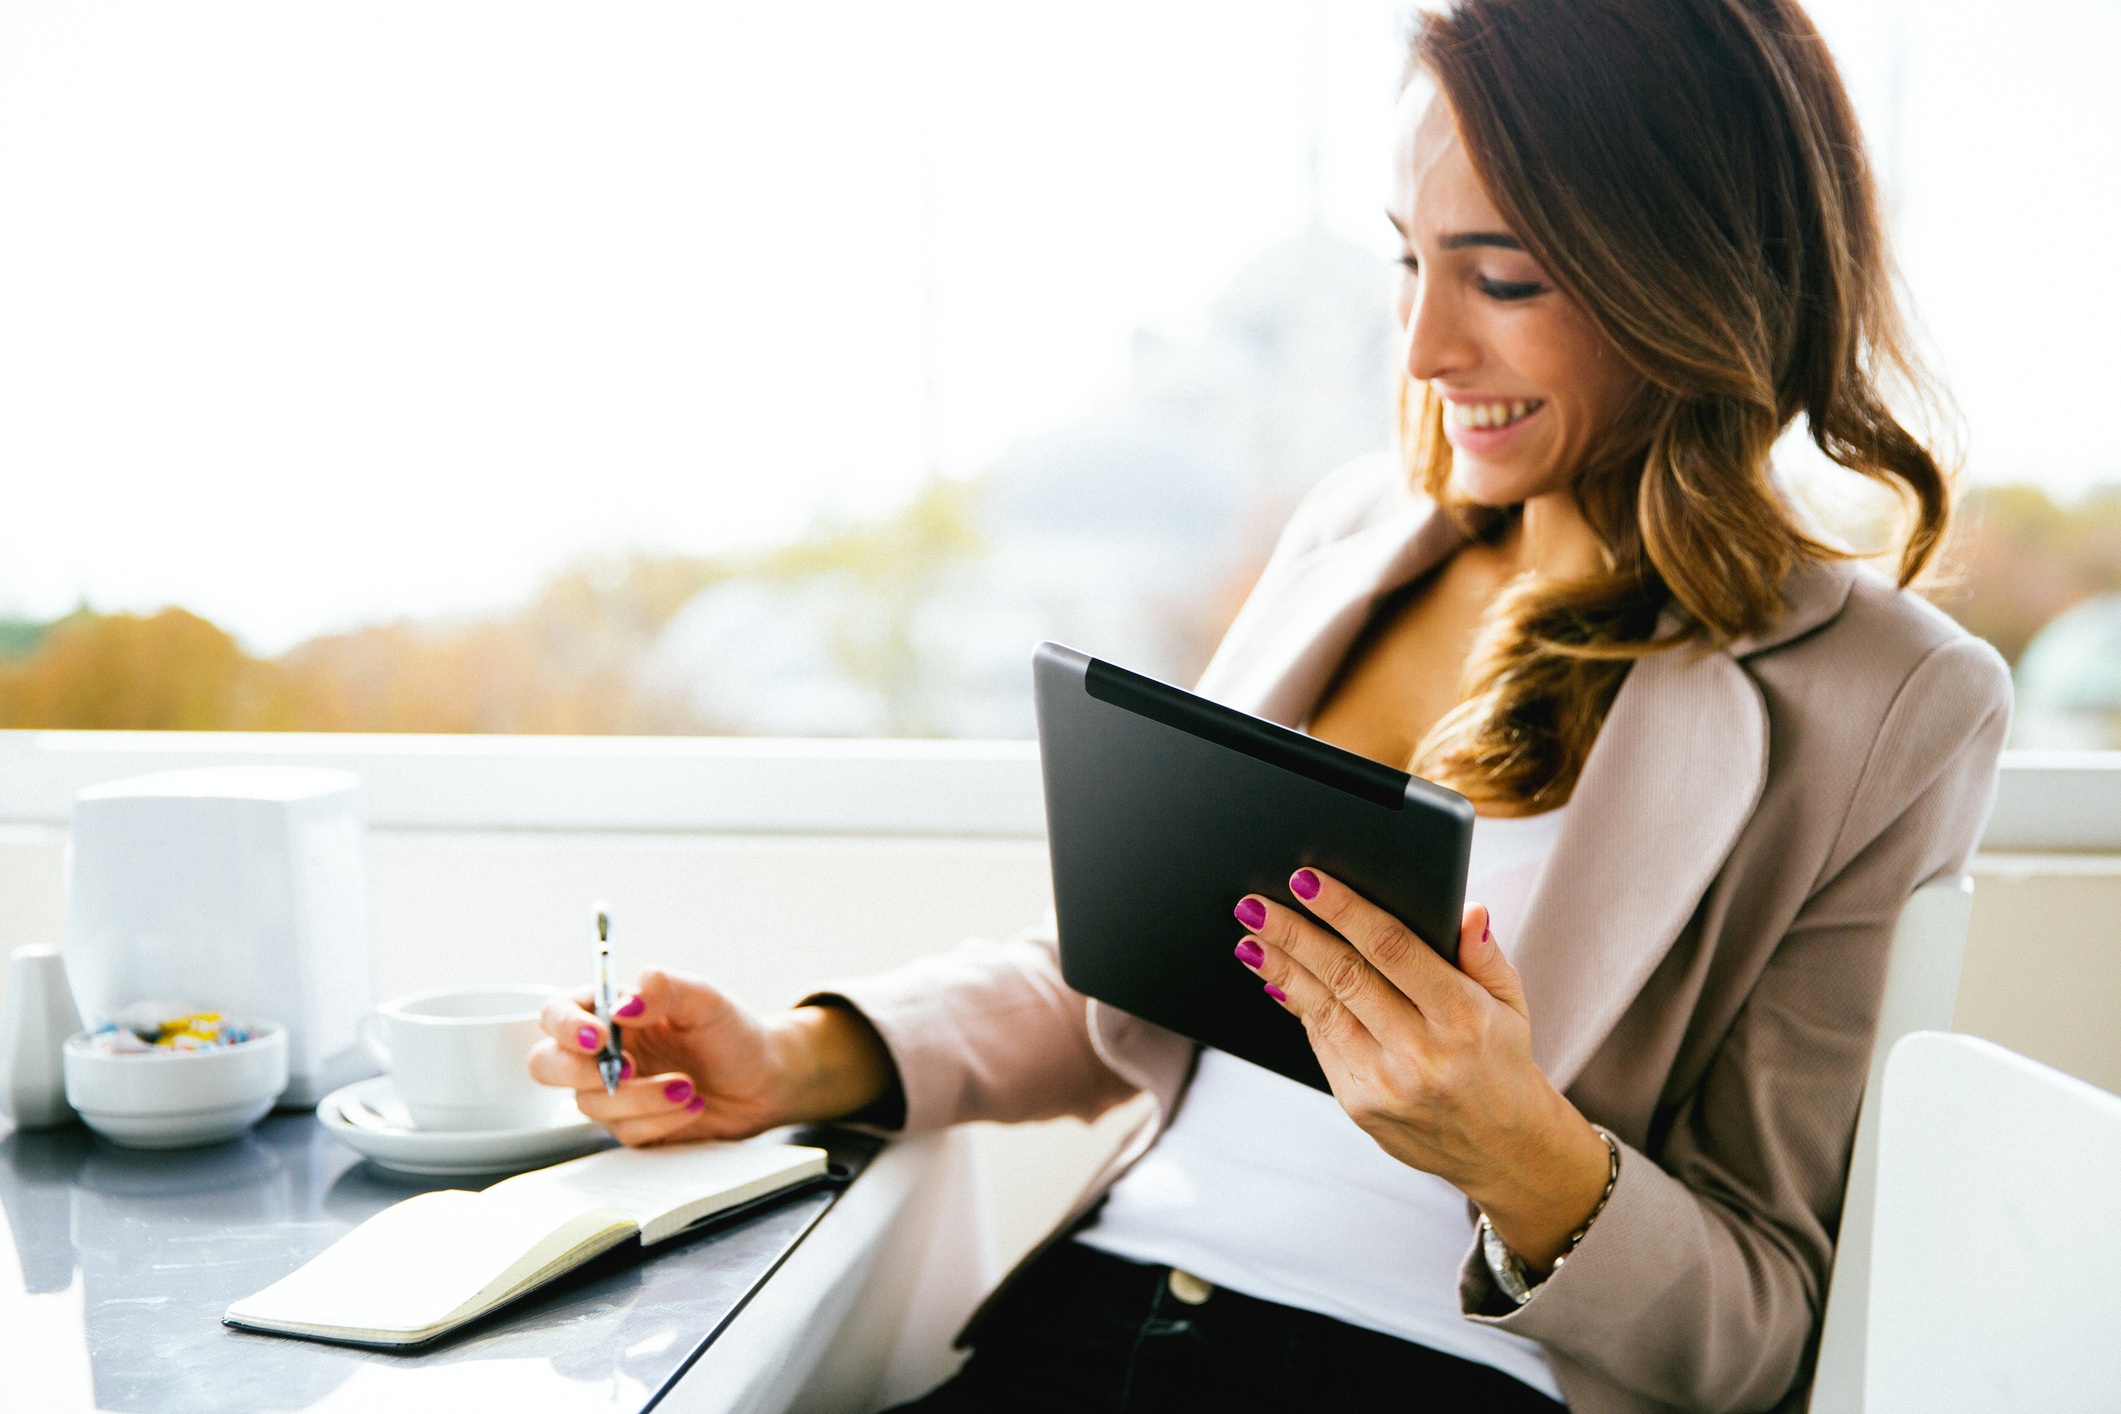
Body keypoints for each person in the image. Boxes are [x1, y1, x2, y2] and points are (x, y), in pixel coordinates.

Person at [529, 1, 2011, 1409]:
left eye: (1501, 277)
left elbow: (1764, 1327)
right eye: (1406, 263)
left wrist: (1531, 1159)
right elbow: (1146, 965)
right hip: (1099, 1312)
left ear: (1687, 279)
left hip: (1423, 1377)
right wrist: (794, 1055)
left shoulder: (1886, 701)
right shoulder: (1354, 540)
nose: (1427, 350)